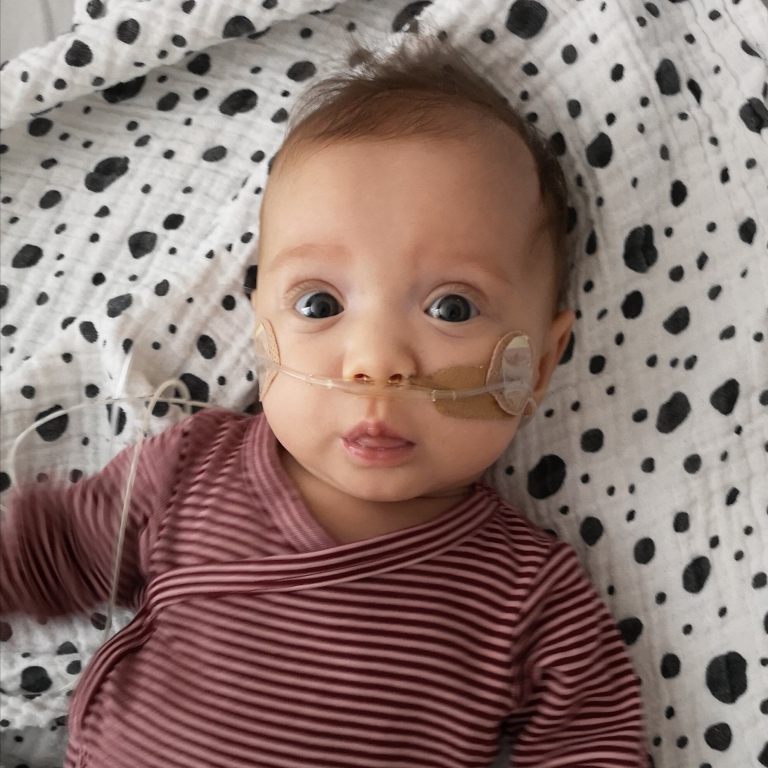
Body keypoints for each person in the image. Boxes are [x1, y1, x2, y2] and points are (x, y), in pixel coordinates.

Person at [0, 31, 648, 768]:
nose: (375, 363)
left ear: (538, 365)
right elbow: (48, 551)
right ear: (261, 331)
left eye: (452, 308)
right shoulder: (189, 471)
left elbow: (592, 744)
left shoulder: (527, 593)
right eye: (318, 304)